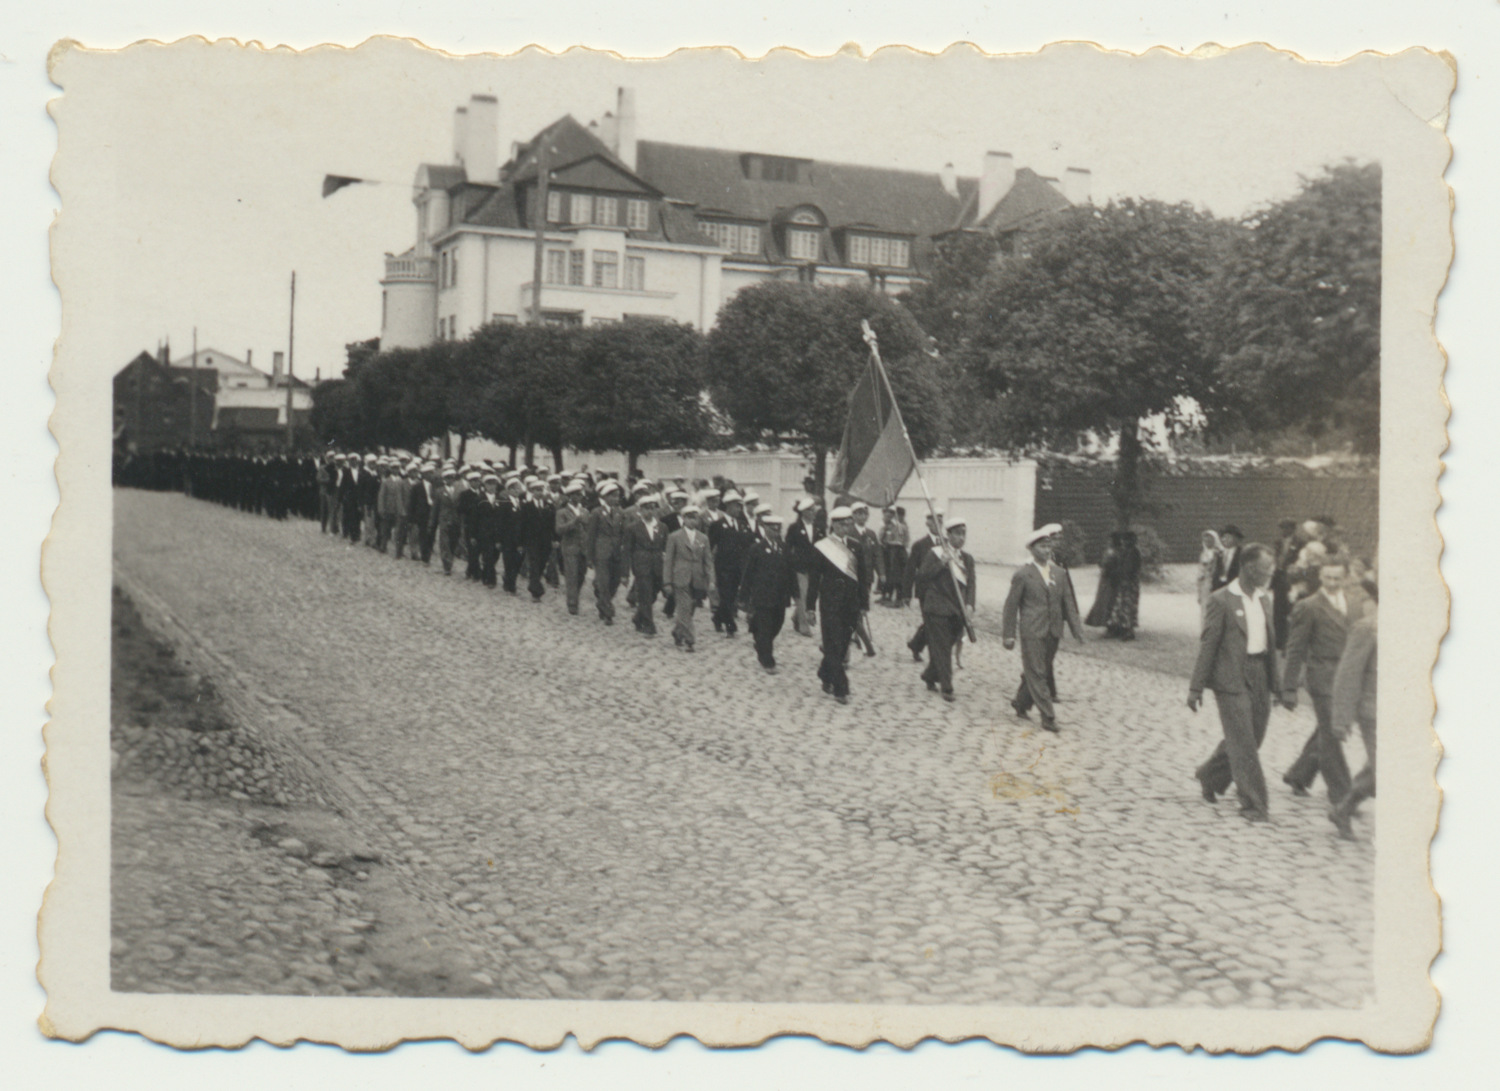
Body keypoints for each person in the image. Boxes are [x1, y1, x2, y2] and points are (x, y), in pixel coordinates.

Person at [1189, 543, 1291, 823]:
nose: (1270, 574)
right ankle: (1254, 804)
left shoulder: (1263, 599)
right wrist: (1195, 687)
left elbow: (1270, 645)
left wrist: (1277, 685)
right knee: (1243, 742)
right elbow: (1208, 645)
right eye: (1265, 569)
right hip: (1230, 678)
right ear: (1248, 568)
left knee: (1252, 737)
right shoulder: (1222, 600)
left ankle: (1209, 775)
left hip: (1259, 674)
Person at [1279, 562, 1357, 803]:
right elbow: (1295, 648)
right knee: (1333, 734)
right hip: (1322, 676)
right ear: (1320, 578)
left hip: (1348, 678)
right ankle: (1344, 794)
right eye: (1327, 578)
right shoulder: (1308, 606)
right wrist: (1289, 686)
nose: (1332, 583)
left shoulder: (1354, 604)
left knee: (1326, 729)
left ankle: (1299, 775)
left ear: (1345, 578)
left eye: (1337, 578)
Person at [1002, 523, 1083, 733]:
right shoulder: (1023, 574)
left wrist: (1077, 630)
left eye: (1048, 546)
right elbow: (1011, 606)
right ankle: (1048, 716)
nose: (1046, 550)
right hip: (1032, 630)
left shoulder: (1059, 573)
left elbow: (1068, 603)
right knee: (1038, 673)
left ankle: (1021, 703)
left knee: (1040, 669)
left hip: (1053, 630)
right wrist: (1008, 635)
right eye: (1041, 547)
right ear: (1031, 549)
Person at [1327, 583, 1378, 840]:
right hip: (1374, 713)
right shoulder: (1368, 628)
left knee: (1381, 769)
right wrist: (1341, 719)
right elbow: (1348, 676)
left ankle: (1344, 809)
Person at [916, 517, 976, 702]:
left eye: (963, 534)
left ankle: (929, 674)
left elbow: (971, 584)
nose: (961, 538)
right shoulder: (935, 553)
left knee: (946, 645)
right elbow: (923, 577)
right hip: (937, 607)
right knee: (942, 648)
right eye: (957, 534)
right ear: (948, 535)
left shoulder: (967, 559)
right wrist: (941, 563)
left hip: (957, 610)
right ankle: (947, 686)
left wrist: (969, 605)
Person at [813, 506, 867, 704]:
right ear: (834, 525)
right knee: (833, 643)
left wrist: (864, 604)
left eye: (849, 524)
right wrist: (810, 606)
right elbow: (814, 579)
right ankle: (840, 688)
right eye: (843, 524)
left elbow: (863, 577)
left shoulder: (856, 546)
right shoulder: (822, 547)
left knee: (842, 644)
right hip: (830, 603)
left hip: (851, 604)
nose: (847, 528)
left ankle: (825, 673)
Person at [738, 514, 796, 673]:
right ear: (764, 528)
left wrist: (795, 592)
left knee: (777, 624)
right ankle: (767, 661)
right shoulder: (756, 549)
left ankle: (759, 639)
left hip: (780, 595)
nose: (776, 531)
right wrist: (743, 596)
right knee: (765, 627)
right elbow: (748, 573)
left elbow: (791, 572)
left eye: (778, 528)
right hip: (762, 595)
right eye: (772, 528)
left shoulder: (784, 548)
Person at [663, 504, 713, 651]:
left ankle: (678, 633)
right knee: (684, 608)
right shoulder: (674, 537)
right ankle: (690, 640)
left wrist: (711, 580)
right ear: (683, 519)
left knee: (689, 610)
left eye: (695, 518)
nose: (693, 521)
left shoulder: (703, 538)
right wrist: (667, 581)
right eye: (690, 518)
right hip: (680, 577)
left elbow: (708, 561)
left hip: (697, 578)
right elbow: (668, 561)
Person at [904, 511, 947, 662]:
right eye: (934, 522)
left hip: (943, 592)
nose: (937, 525)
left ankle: (916, 644)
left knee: (936, 623)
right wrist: (906, 593)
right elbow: (910, 570)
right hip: (926, 591)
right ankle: (931, 655)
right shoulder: (920, 545)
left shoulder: (946, 543)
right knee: (930, 623)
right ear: (927, 524)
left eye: (940, 522)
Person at [584, 480, 628, 625]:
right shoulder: (597, 513)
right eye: (613, 496)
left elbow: (623, 533)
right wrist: (589, 557)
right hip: (601, 552)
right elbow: (591, 535)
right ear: (605, 497)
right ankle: (608, 613)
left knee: (614, 582)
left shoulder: (620, 513)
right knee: (604, 582)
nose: (616, 499)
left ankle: (602, 603)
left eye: (617, 496)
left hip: (616, 552)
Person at [624, 493, 667, 636]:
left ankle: (638, 617)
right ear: (640, 511)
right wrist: (625, 573)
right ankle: (649, 625)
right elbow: (627, 550)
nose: (649, 511)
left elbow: (666, 548)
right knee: (645, 595)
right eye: (646, 508)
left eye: (652, 508)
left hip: (658, 565)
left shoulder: (662, 527)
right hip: (641, 565)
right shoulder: (633, 528)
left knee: (653, 594)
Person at [786, 498, 823, 636]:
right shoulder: (794, 528)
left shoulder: (818, 529)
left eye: (813, 510)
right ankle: (804, 625)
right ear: (803, 512)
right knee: (802, 594)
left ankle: (796, 616)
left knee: (812, 594)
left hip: (814, 567)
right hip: (799, 567)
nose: (813, 513)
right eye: (810, 510)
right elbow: (788, 547)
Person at [555, 480, 590, 615]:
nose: (578, 497)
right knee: (571, 575)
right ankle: (572, 603)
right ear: (570, 497)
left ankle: (574, 595)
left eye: (580, 494)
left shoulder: (585, 511)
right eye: (575, 495)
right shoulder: (562, 512)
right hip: (569, 547)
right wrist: (574, 522)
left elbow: (588, 528)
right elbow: (559, 529)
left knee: (581, 575)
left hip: (583, 548)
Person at [432, 466, 464, 575]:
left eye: (452, 478)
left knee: (453, 542)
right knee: (444, 543)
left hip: (455, 520)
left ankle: (450, 560)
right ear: (444, 479)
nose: (450, 480)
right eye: (448, 478)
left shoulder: (459, 492)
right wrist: (432, 522)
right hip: (444, 520)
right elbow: (435, 508)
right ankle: (447, 566)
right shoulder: (439, 491)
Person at [879, 505, 909, 605]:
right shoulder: (888, 525)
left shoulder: (903, 527)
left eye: (899, 516)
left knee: (898, 575)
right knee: (888, 573)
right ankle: (887, 596)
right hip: (888, 550)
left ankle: (899, 599)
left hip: (898, 551)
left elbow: (906, 540)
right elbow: (882, 538)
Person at [1196, 529, 1223, 625]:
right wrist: (1199, 590)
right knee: (1205, 608)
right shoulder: (1203, 554)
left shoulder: (1220, 553)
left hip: (1216, 583)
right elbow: (1200, 572)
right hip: (1205, 583)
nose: (1207, 542)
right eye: (1205, 540)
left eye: (1210, 540)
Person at [1210, 524, 1243, 591]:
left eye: (1228, 537)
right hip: (1218, 586)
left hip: (1234, 586)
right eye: (1223, 537)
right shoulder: (1219, 552)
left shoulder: (1242, 553)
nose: (1224, 540)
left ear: (1236, 539)